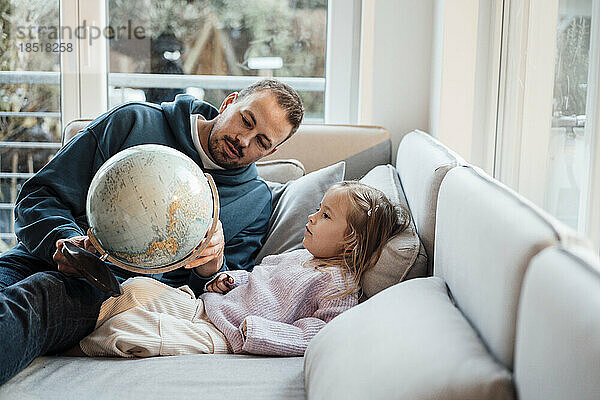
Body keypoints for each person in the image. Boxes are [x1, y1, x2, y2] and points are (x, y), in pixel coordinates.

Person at [0, 78, 303, 385]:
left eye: (262, 142)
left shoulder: (255, 201)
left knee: (36, 298)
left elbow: (222, 301)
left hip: (108, 291)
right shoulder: (133, 121)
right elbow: (38, 196)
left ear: (272, 150)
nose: (244, 140)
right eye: (246, 120)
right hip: (35, 255)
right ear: (229, 103)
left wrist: (210, 270)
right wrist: (65, 241)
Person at [72, 182, 410, 357]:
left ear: (350, 242)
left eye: (325, 216)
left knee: (131, 331)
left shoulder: (340, 285)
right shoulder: (299, 256)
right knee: (136, 291)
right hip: (207, 307)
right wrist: (232, 280)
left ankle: (74, 349)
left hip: (226, 336)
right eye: (318, 209)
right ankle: (68, 328)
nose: (311, 217)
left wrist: (259, 332)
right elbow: (261, 279)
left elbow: (319, 334)